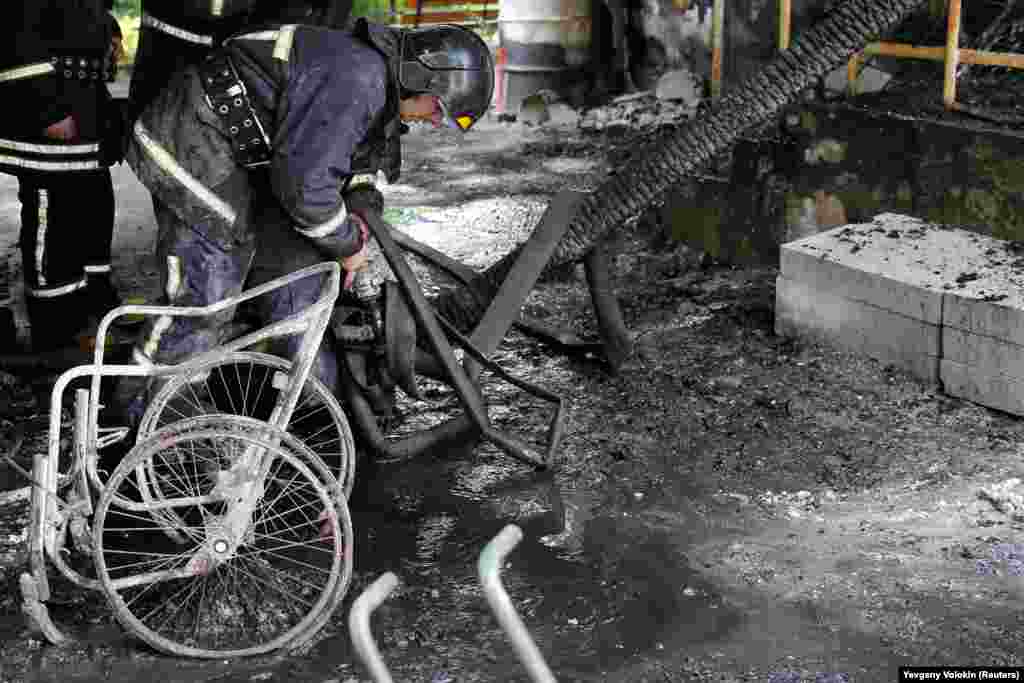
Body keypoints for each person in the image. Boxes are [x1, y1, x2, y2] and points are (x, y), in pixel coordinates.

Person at [115, 18, 494, 424]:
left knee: (299, 272)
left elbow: (360, 162)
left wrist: (361, 206)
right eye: (438, 109)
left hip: (246, 154)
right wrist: (349, 246)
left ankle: (294, 392)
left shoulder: (377, 80)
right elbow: (305, 190)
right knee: (208, 294)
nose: (434, 120)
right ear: (422, 75)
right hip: (192, 140)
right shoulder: (358, 78)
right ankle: (148, 414)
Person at [0, 1, 127, 351]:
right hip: (49, 113)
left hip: (84, 109)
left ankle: (92, 304)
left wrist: (107, 27)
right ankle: (55, 328)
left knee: (91, 207)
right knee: (55, 216)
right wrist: (46, 109)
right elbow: (13, 32)